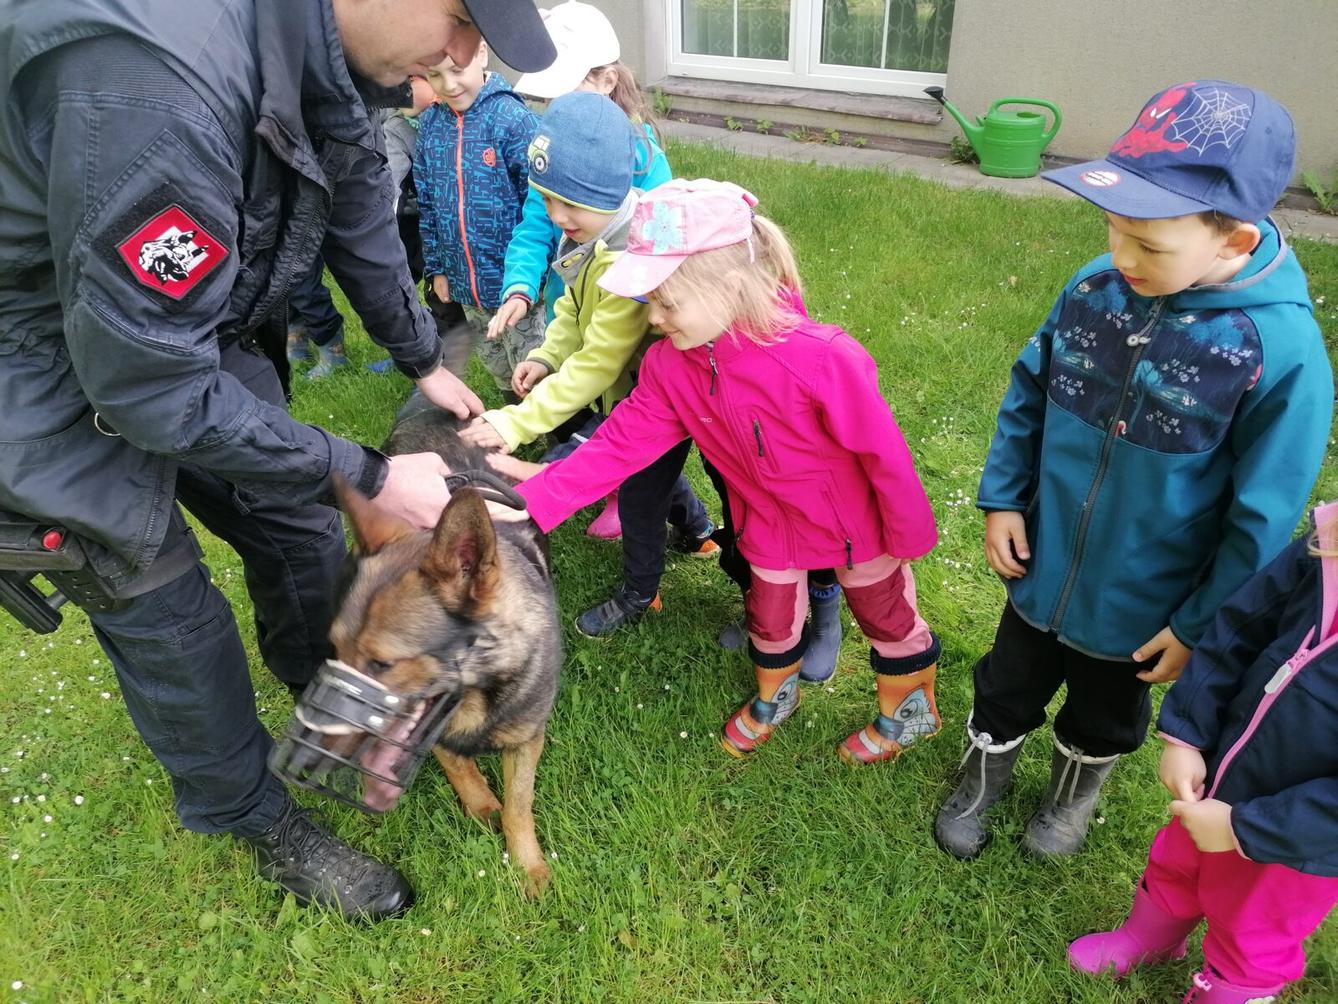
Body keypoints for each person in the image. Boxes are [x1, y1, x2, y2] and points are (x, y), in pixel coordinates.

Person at [0, 0, 554, 921]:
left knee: (296, 519)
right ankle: (260, 818)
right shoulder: (157, 86)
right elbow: (147, 386)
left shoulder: (329, 49)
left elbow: (356, 207)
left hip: (181, 331)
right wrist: (374, 473)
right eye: (461, 21)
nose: (463, 57)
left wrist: (420, 353)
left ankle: (325, 690)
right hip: (36, 356)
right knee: (162, 603)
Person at [934, 81, 1334, 861]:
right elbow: (1032, 390)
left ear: (1235, 242)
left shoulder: (1280, 355)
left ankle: (1069, 801)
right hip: (1043, 568)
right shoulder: (1095, 287)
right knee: (1007, 683)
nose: (1121, 258)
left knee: (1106, 714)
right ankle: (984, 774)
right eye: (1114, 229)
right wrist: (1005, 499)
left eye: (1149, 245)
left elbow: (1261, 519)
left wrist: (1196, 626)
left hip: (1144, 609)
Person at [491, 179, 944, 763]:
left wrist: (907, 534)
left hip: (855, 525)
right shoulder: (669, 367)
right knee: (771, 614)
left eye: (666, 301)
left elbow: (885, 455)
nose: (653, 318)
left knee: (885, 612)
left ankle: (909, 709)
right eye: (649, 301)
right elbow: (618, 446)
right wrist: (532, 507)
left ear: (730, 286)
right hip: (768, 526)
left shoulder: (825, 357)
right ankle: (774, 696)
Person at [459, 93, 719, 637]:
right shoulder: (594, 234)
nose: (556, 217)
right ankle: (697, 531)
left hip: (644, 410)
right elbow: (572, 309)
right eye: (547, 201)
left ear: (608, 191)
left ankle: (640, 591)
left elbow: (600, 363)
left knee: (641, 502)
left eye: (568, 204)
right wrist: (547, 354)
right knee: (660, 479)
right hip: (624, 404)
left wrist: (517, 420)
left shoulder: (632, 258)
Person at [1068, 504, 1338, 1004]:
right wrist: (1186, 735)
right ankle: (1150, 938)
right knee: (1178, 862)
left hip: (1299, 841)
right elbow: (1240, 627)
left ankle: (1231, 991)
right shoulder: (1327, 547)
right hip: (1222, 777)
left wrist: (1247, 829)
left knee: (1259, 925)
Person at [486, 0, 675, 547]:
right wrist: (521, 287)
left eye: (566, 90)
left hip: (626, 307)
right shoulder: (555, 152)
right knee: (586, 398)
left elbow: (661, 234)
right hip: (573, 292)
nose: (554, 107)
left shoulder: (639, 157)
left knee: (621, 405)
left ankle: (618, 484)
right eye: (549, 97)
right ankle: (584, 462)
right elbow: (534, 223)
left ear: (607, 78)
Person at [415, 40, 543, 393]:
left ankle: (558, 437)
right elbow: (427, 203)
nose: (449, 85)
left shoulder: (513, 120)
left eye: (457, 70)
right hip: (465, 284)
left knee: (533, 364)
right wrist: (438, 268)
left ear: (482, 54)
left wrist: (536, 276)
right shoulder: (429, 126)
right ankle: (515, 426)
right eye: (435, 75)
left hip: (517, 286)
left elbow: (539, 205)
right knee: (497, 362)